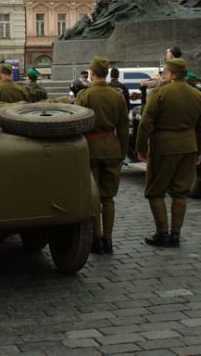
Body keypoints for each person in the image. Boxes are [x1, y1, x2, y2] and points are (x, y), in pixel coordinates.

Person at [136, 58, 201, 248]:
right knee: (180, 193)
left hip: (163, 146)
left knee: (155, 191)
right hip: (189, 146)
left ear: (169, 74)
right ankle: (176, 234)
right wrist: (197, 150)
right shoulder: (198, 95)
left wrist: (141, 148)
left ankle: (162, 234)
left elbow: (145, 122)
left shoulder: (161, 93)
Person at [76, 57, 129, 254]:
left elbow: (79, 124)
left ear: (92, 73)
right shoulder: (117, 96)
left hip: (91, 149)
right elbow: (123, 128)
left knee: (93, 197)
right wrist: (122, 152)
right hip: (112, 148)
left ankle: (96, 239)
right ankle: (108, 239)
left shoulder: (85, 95)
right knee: (108, 198)